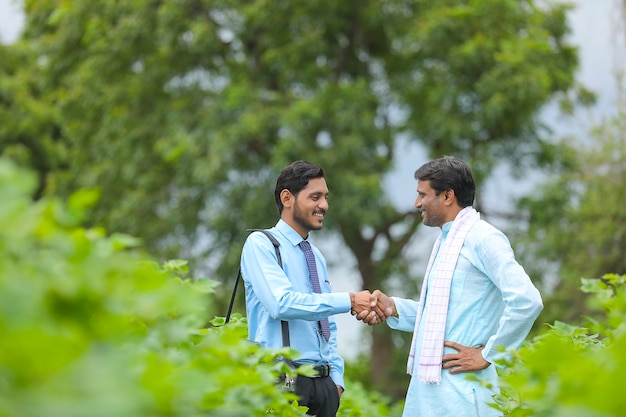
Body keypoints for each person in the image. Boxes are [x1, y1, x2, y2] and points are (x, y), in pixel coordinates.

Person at [360, 156, 543, 417]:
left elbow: (527, 301)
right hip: (428, 394)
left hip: (464, 394)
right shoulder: (447, 241)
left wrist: (488, 354)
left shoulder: (483, 238)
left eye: (422, 194)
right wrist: (395, 308)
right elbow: (445, 315)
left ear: (447, 196)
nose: (417, 203)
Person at [240, 160, 381, 417]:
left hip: (324, 386)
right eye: (315, 197)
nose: (324, 205)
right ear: (287, 198)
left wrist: (336, 380)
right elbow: (281, 303)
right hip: (282, 380)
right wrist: (349, 300)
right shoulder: (260, 244)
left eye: (325, 197)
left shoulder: (315, 255)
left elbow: (328, 325)